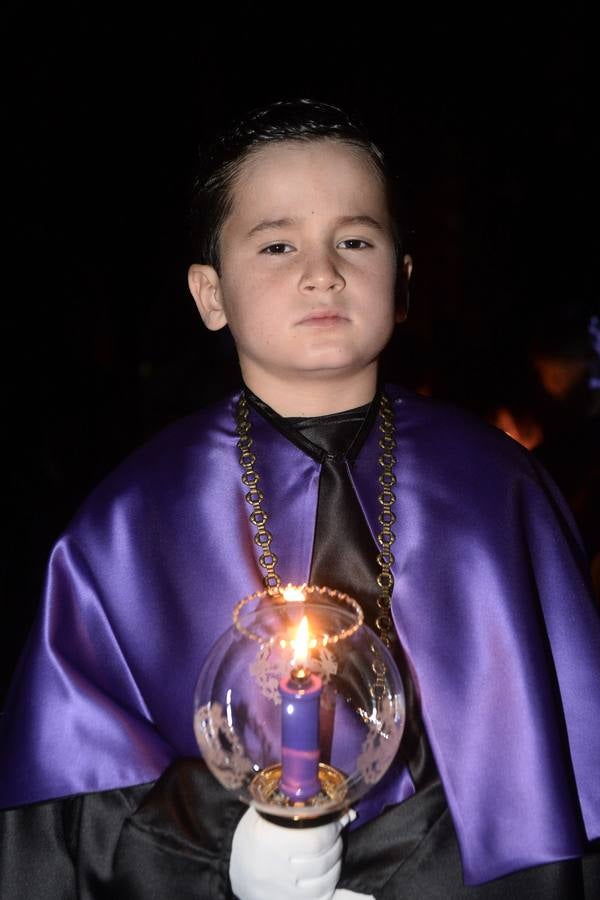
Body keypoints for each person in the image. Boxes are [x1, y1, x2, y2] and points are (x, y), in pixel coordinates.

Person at [1, 99, 599, 899]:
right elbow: (63, 813)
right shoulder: (128, 523)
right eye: (278, 244)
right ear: (210, 294)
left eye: (355, 239)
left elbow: (569, 774)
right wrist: (222, 847)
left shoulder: (502, 489)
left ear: (405, 279)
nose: (323, 271)